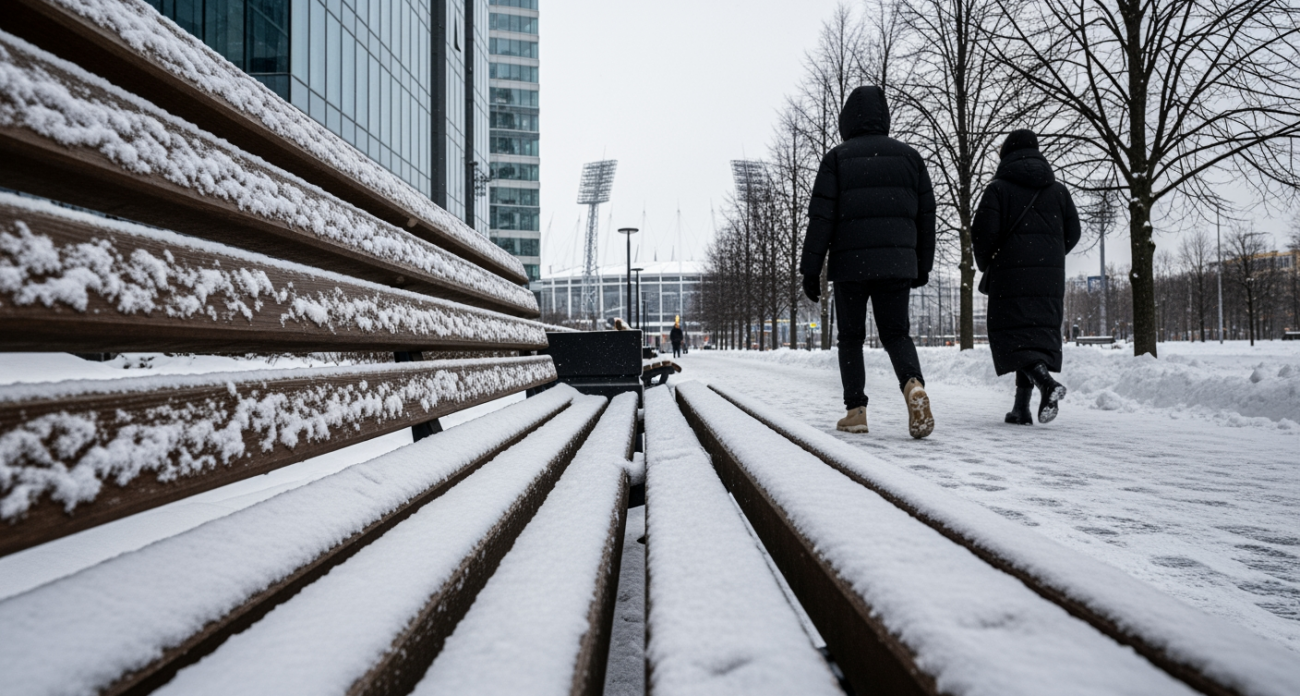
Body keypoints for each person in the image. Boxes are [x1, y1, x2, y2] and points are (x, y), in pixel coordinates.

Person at [800, 85, 937, 439]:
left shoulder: (837, 158)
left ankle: (856, 411)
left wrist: (811, 270)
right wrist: (922, 264)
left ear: (848, 119)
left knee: (850, 338)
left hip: (851, 264)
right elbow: (926, 216)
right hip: (896, 263)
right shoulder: (910, 158)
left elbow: (821, 218)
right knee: (896, 333)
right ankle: (912, 386)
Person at [972, 129, 1081, 425]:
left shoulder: (998, 189)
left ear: (1007, 154)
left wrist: (990, 263)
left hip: (1010, 275)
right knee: (1032, 333)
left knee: (1015, 335)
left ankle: (1046, 383)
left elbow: (982, 234)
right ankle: (1021, 408)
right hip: (1049, 278)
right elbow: (1074, 233)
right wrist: (1049, 255)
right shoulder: (1058, 191)